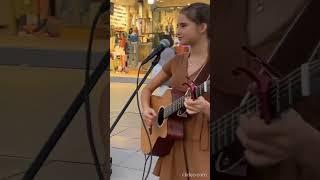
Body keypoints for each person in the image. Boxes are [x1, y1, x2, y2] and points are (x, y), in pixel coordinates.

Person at [140, 3, 210, 180]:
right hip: (172, 142)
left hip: (202, 145)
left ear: (202, 27)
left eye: (183, 25)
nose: (177, 31)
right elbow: (147, 89)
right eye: (177, 26)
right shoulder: (176, 61)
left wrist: (206, 108)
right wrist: (146, 108)